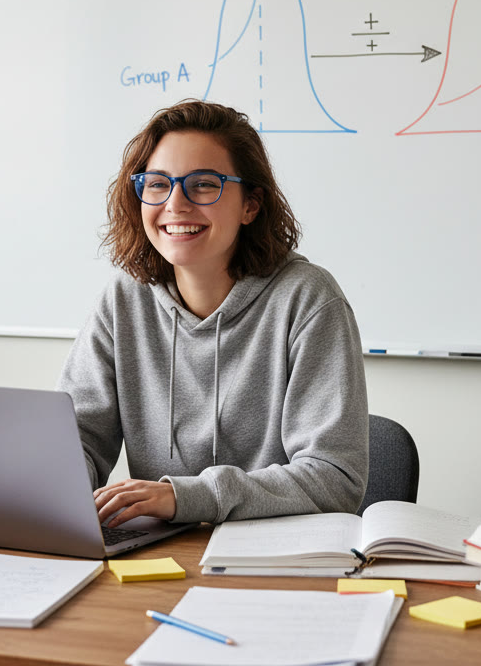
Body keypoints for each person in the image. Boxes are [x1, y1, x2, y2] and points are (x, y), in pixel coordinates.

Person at [58, 100, 369, 529]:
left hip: (271, 560)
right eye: (157, 184)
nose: (176, 203)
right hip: (159, 556)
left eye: (204, 184)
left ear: (250, 205)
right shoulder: (123, 301)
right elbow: (75, 440)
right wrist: (46, 488)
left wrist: (187, 496)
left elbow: (335, 479)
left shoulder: (308, 300)